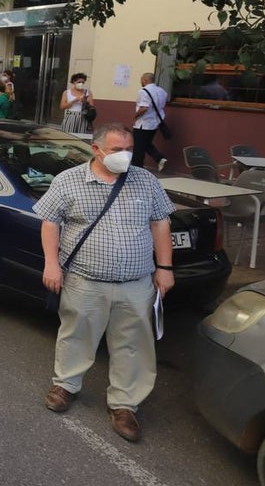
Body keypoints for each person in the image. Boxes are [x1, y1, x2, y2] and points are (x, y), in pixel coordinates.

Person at [35, 122, 175, 442]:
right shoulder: (68, 180)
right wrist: (51, 264)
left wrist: (165, 267)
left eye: (129, 149)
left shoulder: (145, 181)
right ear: (97, 150)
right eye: (117, 150)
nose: (125, 155)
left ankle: (125, 404)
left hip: (136, 282)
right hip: (85, 280)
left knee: (134, 344)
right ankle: (66, 385)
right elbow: (50, 223)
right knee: (76, 334)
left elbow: (161, 224)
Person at [132, 73, 168, 170]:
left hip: (143, 123)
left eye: (141, 80)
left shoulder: (143, 91)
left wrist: (135, 116)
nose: (141, 82)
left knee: (138, 147)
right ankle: (159, 158)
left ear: (145, 80)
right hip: (155, 123)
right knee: (146, 143)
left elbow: (144, 108)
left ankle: (137, 167)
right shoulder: (162, 91)